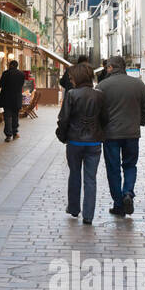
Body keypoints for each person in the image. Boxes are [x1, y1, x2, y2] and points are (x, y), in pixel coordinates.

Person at [97, 54, 145, 216]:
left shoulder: (102, 86)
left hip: (110, 135)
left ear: (110, 68)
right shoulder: (138, 84)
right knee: (130, 165)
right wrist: (139, 122)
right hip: (132, 134)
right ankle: (128, 192)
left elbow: (96, 111)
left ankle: (118, 204)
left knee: (113, 169)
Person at [56, 61, 108, 224]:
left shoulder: (71, 94)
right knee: (90, 178)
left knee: (74, 174)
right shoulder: (99, 94)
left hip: (75, 141)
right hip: (94, 142)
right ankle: (88, 215)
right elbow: (105, 118)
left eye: (71, 78)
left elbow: (63, 119)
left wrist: (62, 136)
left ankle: (73, 208)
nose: (70, 81)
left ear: (77, 78)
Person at [0, 59, 27, 141]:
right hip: (16, 99)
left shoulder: (6, 73)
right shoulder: (21, 74)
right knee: (15, 116)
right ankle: (15, 133)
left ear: (11, 65)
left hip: (6, 99)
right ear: (17, 66)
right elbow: (21, 85)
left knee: (7, 117)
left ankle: (8, 135)